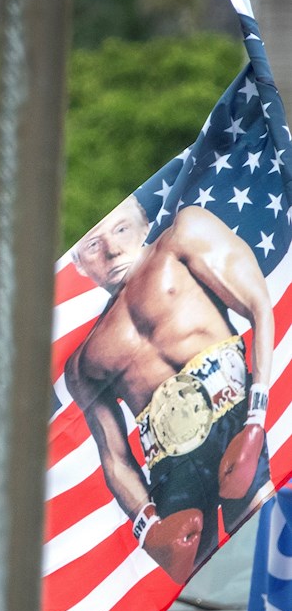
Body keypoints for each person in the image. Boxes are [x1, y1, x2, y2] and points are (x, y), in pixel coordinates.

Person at [64, 196, 275, 585]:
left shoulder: (183, 234)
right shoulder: (83, 362)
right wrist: (148, 525)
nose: (111, 249)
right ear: (78, 263)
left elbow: (258, 304)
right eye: (93, 244)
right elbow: (114, 458)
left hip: (236, 422)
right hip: (172, 471)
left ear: (144, 225)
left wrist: (257, 420)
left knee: (271, 550)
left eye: (121, 229)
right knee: (199, 586)